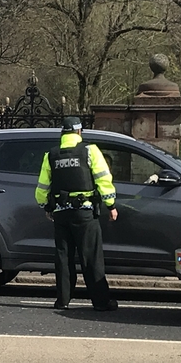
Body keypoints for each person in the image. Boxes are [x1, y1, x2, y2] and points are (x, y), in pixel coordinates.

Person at [35, 116, 118, 311]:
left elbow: (42, 188)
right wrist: (111, 204)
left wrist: (46, 207)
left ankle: (62, 301)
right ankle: (101, 302)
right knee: (90, 258)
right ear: (79, 132)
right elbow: (103, 180)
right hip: (84, 213)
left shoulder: (51, 155)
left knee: (63, 258)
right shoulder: (90, 151)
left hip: (61, 214)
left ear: (63, 133)